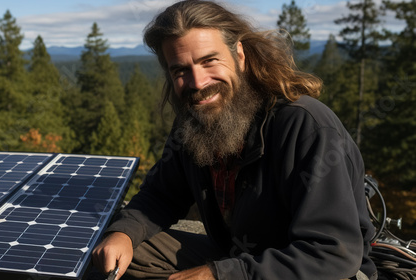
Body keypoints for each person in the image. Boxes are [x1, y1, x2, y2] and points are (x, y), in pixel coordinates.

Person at [92, 1, 377, 279]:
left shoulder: (305, 125)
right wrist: (123, 233)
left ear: (239, 56)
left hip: (319, 269)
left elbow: (331, 253)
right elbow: (161, 195)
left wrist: (218, 274)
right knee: (116, 256)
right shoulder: (194, 122)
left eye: (209, 61)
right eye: (180, 70)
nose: (198, 83)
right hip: (236, 257)